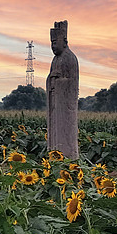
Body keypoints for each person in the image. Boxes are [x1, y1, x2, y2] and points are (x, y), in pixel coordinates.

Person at [47, 20, 79, 159]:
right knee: (55, 131)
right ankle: (54, 156)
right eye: (51, 43)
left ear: (64, 42)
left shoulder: (70, 58)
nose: (53, 46)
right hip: (55, 102)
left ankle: (67, 156)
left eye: (55, 42)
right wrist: (51, 80)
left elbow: (72, 83)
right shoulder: (55, 60)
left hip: (65, 106)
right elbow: (50, 78)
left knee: (65, 132)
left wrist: (59, 81)